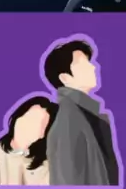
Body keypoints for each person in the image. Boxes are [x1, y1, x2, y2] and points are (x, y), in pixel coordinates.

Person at [43, 39, 121, 185]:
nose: (93, 67)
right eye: (83, 64)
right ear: (65, 78)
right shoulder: (68, 121)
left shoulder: (87, 115)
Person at [0, 96, 58, 185]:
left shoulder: (47, 167)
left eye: (36, 122)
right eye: (26, 116)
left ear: (43, 134)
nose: (26, 124)